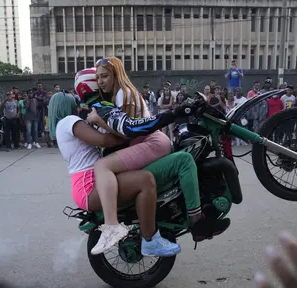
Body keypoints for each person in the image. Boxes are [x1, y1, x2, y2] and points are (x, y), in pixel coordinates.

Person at [75, 67, 230, 254]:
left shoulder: (97, 109)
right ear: (93, 84)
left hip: (130, 161)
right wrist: (174, 113)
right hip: (126, 167)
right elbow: (131, 127)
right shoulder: (102, 107)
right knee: (184, 160)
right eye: (99, 78)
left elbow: (121, 134)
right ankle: (197, 222)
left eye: (105, 76)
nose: (102, 81)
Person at [50, 91, 183, 258]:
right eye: (74, 104)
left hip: (88, 184)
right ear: (66, 107)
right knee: (145, 180)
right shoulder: (70, 121)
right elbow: (106, 141)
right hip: (89, 186)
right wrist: (126, 131)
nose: (78, 107)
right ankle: (149, 240)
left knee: (142, 176)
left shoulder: (62, 127)